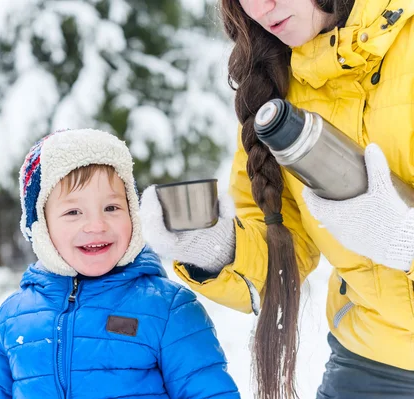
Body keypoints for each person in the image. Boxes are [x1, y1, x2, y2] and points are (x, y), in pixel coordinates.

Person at [138, 1, 414, 398]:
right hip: (368, 359)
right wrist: (217, 246)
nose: (262, 7)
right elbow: (286, 252)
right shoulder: (274, 86)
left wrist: (404, 239)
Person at [0, 128, 240, 399]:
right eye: (73, 212)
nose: (96, 225)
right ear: (41, 227)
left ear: (133, 213)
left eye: (111, 208)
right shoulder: (11, 319)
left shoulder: (168, 310)